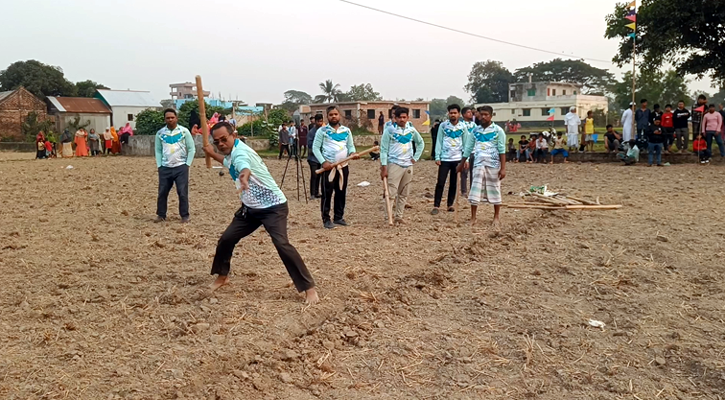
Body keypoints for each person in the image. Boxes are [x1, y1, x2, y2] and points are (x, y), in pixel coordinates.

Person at [201, 122, 319, 304]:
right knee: (226, 239)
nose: (221, 144)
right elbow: (227, 162)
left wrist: (245, 175)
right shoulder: (233, 150)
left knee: (282, 244)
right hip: (250, 209)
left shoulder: (241, 153)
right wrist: (211, 153)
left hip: (273, 207)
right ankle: (222, 276)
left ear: (234, 135)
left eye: (224, 139)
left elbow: (243, 166)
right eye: (217, 142)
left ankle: (308, 288)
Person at [312, 106, 360, 229]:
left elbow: (350, 146)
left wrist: (352, 153)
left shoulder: (346, 131)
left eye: (336, 114)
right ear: (327, 117)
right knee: (327, 193)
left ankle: (338, 217)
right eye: (331, 114)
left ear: (340, 115)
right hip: (329, 168)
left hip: (343, 166)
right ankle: (326, 218)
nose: (334, 116)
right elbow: (316, 148)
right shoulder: (322, 131)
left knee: (341, 192)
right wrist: (323, 162)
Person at [457, 105, 506, 227]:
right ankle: (473, 218)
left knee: (495, 188)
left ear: (491, 116)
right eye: (481, 114)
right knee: (475, 189)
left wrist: (503, 168)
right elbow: (468, 148)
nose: (483, 117)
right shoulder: (475, 131)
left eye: (486, 115)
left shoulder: (498, 131)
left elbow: (502, 150)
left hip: (493, 164)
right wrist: (462, 163)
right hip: (478, 163)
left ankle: (496, 217)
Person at [380, 107, 424, 224]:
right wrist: (384, 166)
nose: (402, 120)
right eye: (400, 117)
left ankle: (399, 216)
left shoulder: (411, 130)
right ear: (395, 118)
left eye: (404, 117)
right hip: (394, 163)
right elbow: (383, 149)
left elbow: (420, 143)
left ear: (408, 117)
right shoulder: (389, 130)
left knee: (404, 193)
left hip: (408, 164)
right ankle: (388, 217)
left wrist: (415, 158)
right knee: (391, 193)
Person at [154, 108, 195, 223]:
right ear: (165, 119)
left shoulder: (184, 131)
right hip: (165, 167)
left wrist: (187, 164)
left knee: (182, 192)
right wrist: (159, 165)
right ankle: (161, 215)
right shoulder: (160, 133)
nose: (170, 120)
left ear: (176, 118)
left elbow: (191, 149)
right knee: (162, 192)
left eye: (172, 117)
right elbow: (158, 150)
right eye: (168, 118)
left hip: (181, 166)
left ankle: (184, 216)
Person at [432, 104, 469, 215]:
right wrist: (437, 156)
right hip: (445, 158)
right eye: (451, 113)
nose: (453, 115)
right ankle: (436, 205)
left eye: (455, 113)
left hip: (457, 158)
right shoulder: (443, 126)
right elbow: (439, 141)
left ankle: (450, 204)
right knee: (440, 182)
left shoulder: (463, 127)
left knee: (453, 183)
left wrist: (465, 159)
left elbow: (466, 143)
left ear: (458, 114)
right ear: (448, 113)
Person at [459, 107, 476, 196]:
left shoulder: (474, 125)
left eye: (471, 112)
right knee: (464, 172)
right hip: (465, 151)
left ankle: (473, 189)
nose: (471, 114)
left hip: (474, 150)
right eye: (468, 112)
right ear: (464, 114)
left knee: (473, 172)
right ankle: (464, 191)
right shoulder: (461, 125)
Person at [307, 114, 324, 200]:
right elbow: (309, 144)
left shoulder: (323, 131)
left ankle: (317, 192)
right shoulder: (311, 132)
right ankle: (312, 193)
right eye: (319, 121)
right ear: (315, 121)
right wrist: (317, 142)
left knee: (319, 175)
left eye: (321, 121)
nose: (320, 123)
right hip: (313, 157)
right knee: (314, 175)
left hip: (320, 158)